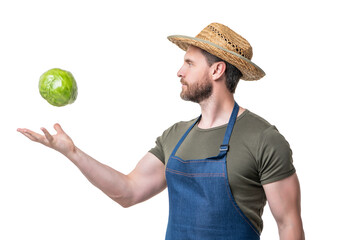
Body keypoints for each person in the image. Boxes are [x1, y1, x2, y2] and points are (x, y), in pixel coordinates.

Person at [17, 23, 304, 239]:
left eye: (189, 63)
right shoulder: (175, 136)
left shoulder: (264, 139)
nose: (179, 72)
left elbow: (289, 224)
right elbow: (128, 192)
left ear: (217, 71)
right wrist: (72, 152)